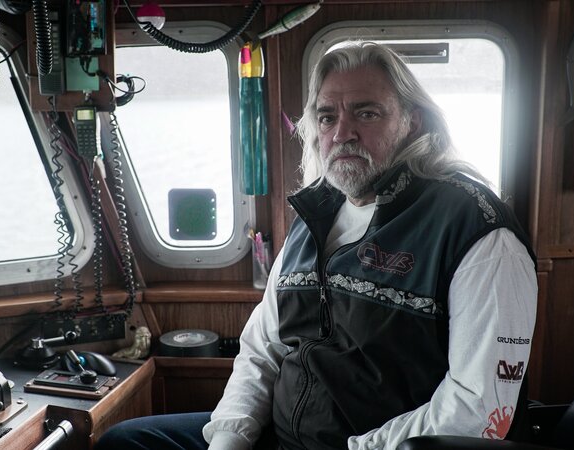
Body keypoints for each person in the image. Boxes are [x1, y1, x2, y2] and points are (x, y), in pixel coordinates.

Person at [96, 41, 537, 450]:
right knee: (128, 442)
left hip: (384, 446)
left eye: (366, 114)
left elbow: (478, 408)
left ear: (412, 121)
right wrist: (229, 441)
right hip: (286, 434)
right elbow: (261, 350)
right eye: (327, 117)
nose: (342, 132)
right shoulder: (317, 213)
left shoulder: (475, 230)